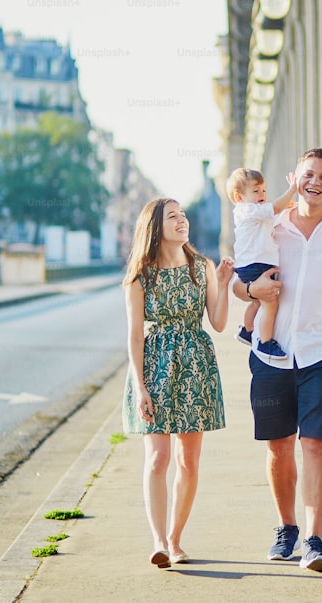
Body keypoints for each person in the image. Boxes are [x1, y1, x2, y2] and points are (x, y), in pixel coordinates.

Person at [233, 147, 322, 571]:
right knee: (278, 448)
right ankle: (286, 528)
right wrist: (251, 293)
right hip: (270, 355)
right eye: (308, 173)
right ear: (294, 176)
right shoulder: (266, 224)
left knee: (315, 446)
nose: (315, 181)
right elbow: (241, 283)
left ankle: (315, 540)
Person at [122, 197, 234, 569]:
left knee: (188, 460)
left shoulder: (202, 267)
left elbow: (217, 323)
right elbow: (135, 336)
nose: (182, 220)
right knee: (158, 458)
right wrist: (140, 387)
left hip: (195, 367)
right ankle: (157, 541)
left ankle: (175, 539)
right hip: (155, 367)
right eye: (173, 216)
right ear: (156, 227)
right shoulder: (140, 275)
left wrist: (222, 283)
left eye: (183, 215)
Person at [225, 167, 297, 361]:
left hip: (250, 264)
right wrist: (292, 189)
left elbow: (273, 215)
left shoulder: (251, 213)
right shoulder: (248, 210)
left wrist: (287, 206)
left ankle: (247, 331)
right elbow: (274, 208)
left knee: (258, 301)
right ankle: (265, 343)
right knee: (270, 304)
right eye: (255, 191)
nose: (262, 195)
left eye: (264, 190)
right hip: (257, 264)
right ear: (239, 197)